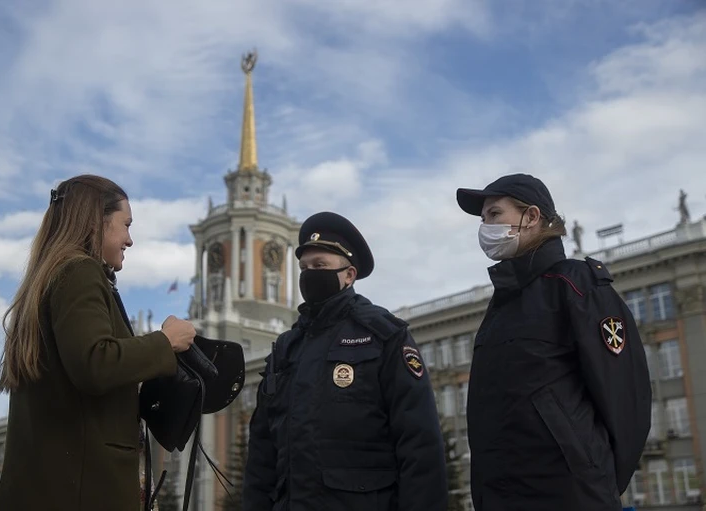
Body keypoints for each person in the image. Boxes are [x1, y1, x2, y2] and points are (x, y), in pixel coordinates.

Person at [0, 174, 197, 511]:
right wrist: (166, 342)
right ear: (96, 223)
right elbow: (95, 363)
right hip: (84, 490)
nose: (130, 240)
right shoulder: (80, 272)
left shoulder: (48, 278)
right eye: (126, 225)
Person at [456, 173, 651, 511]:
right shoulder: (502, 303)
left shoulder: (576, 284)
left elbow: (625, 398)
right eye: (483, 219)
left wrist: (596, 479)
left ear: (531, 216)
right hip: (503, 495)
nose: (485, 227)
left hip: (568, 494)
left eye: (494, 214)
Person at [243, 212, 448, 511]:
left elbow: (419, 441)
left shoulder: (382, 335)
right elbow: (261, 454)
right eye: (304, 268)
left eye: (320, 266)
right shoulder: (287, 349)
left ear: (349, 275)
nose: (310, 274)